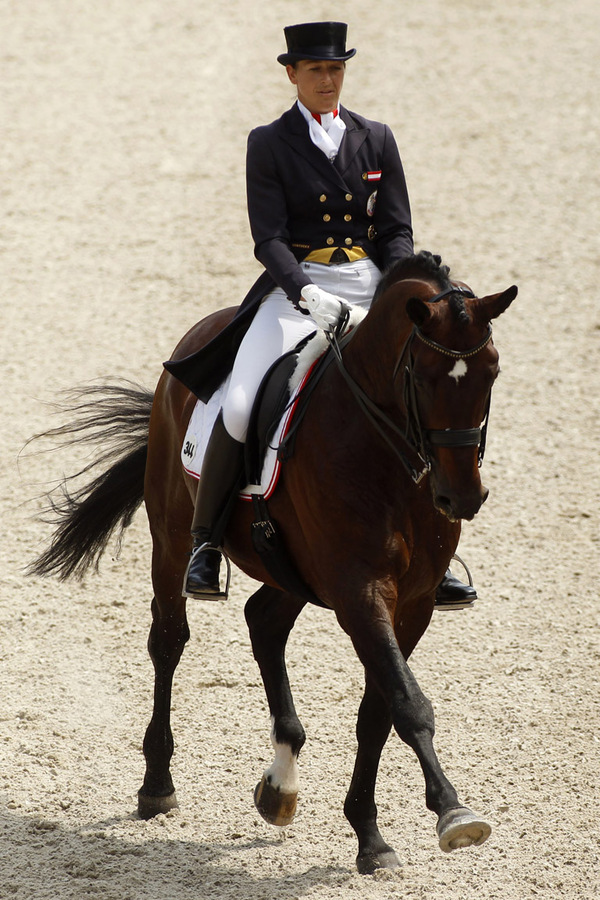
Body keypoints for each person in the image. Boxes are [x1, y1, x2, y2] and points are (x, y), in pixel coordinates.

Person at [166, 21, 476, 610]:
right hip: (296, 293)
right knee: (240, 403)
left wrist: (396, 291)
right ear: (292, 74)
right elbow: (269, 237)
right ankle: (206, 542)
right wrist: (307, 293)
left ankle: (436, 549)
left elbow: (396, 229)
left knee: (423, 394)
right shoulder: (268, 141)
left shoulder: (376, 137)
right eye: (315, 70)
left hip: (368, 289)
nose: (327, 80)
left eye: (335, 69)